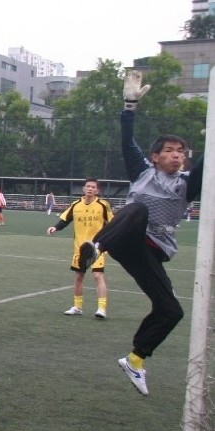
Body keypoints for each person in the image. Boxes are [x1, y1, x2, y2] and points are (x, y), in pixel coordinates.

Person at [77, 71, 203, 396]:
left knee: (171, 310)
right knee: (137, 209)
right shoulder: (142, 172)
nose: (177, 155)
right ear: (155, 156)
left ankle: (135, 360)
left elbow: (205, 166)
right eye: (170, 150)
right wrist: (129, 107)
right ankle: (95, 248)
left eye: (181, 151)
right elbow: (126, 141)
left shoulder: (186, 184)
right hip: (127, 239)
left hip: (151, 253)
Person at [47, 178, 113, 319]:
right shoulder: (76, 204)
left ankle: (102, 309)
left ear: (97, 190)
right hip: (80, 249)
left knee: (98, 276)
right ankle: (77, 307)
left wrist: (109, 240)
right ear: (83, 188)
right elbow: (65, 219)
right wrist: (55, 227)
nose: (90, 189)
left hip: (97, 248)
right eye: (88, 186)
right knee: (78, 277)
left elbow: (112, 223)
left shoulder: (103, 205)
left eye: (93, 187)